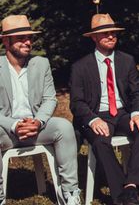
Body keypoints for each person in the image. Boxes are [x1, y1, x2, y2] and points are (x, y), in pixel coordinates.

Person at [70, 13, 139, 205]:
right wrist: (92, 119)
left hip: (123, 113)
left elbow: (136, 94)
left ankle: (131, 187)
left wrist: (137, 113)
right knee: (100, 142)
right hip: (96, 115)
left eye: (113, 32)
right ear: (93, 37)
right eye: (104, 33)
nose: (110, 36)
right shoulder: (80, 67)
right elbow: (76, 102)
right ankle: (120, 196)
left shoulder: (127, 60)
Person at [0, 15, 82, 205]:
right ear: (5, 40)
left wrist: (38, 121)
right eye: (21, 38)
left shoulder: (41, 63)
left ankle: (70, 193)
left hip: (37, 126)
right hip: (6, 130)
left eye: (29, 38)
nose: (27, 42)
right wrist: (14, 125)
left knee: (64, 127)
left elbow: (49, 99)